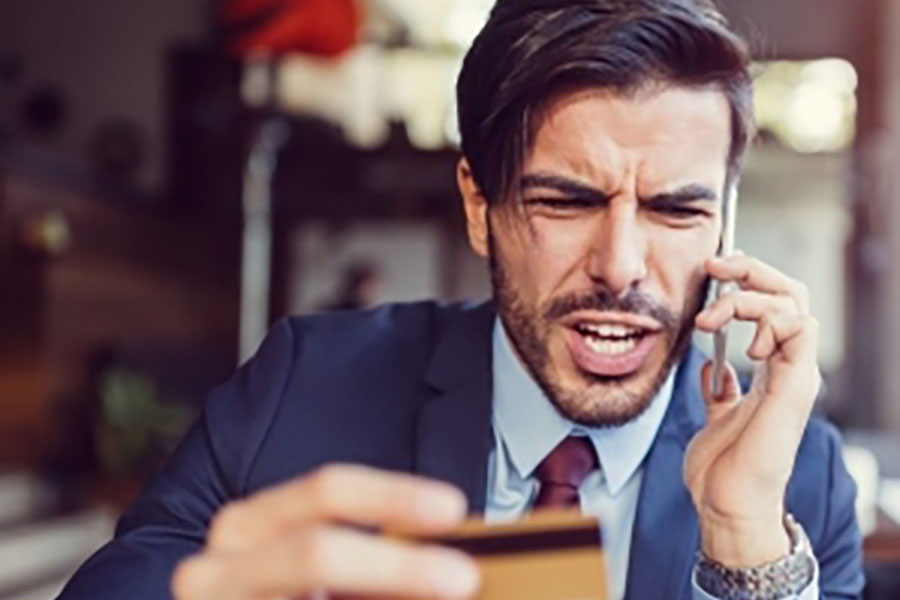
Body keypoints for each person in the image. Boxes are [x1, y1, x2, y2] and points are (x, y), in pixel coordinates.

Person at [57, 1, 864, 599]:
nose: (620, 267)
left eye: (677, 210)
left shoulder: (798, 472)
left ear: (723, 222)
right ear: (481, 207)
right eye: (565, 202)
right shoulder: (304, 385)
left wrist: (744, 547)